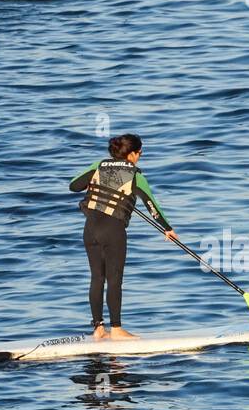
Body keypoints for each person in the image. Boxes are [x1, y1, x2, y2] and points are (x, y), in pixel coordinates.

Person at [69, 133, 177, 339]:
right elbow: (152, 206)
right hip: (113, 230)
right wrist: (167, 228)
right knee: (114, 279)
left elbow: (73, 185)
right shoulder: (136, 176)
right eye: (140, 153)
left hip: (90, 229)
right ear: (132, 155)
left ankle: (98, 329)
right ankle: (117, 329)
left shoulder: (98, 166)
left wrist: (91, 183)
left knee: (97, 278)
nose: (140, 156)